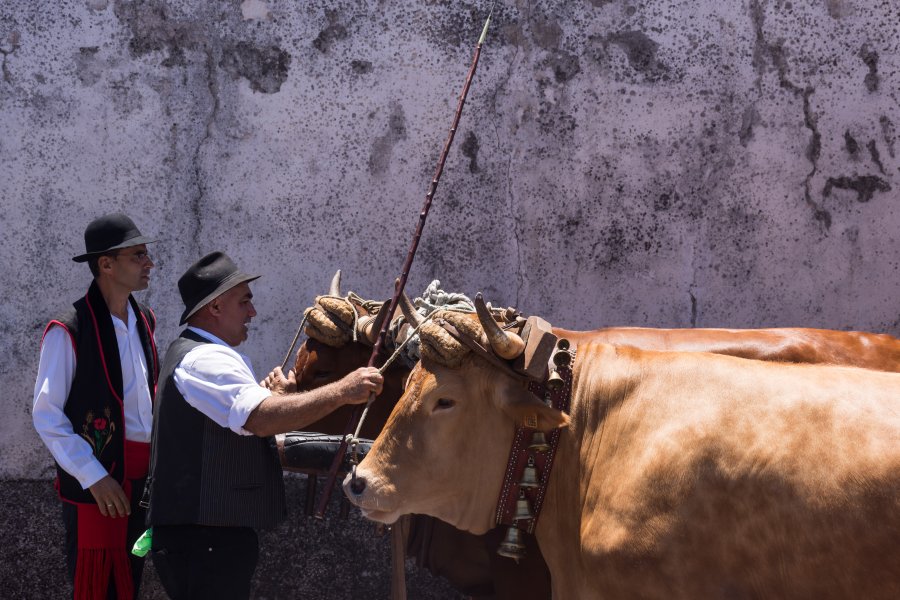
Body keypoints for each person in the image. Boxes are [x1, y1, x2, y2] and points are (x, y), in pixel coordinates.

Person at [146, 251, 383, 599]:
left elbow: (248, 416)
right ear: (214, 308)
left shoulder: (199, 354)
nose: (253, 313)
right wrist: (343, 391)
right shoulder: (206, 359)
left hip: (209, 541)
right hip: (204, 543)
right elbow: (259, 420)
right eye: (244, 303)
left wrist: (277, 398)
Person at [33, 212, 159, 599]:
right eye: (137, 255)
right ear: (106, 264)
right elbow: (47, 415)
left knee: (131, 583)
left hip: (142, 484)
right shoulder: (70, 329)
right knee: (99, 586)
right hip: (100, 484)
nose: (148, 263)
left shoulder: (144, 321)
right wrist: (95, 476)